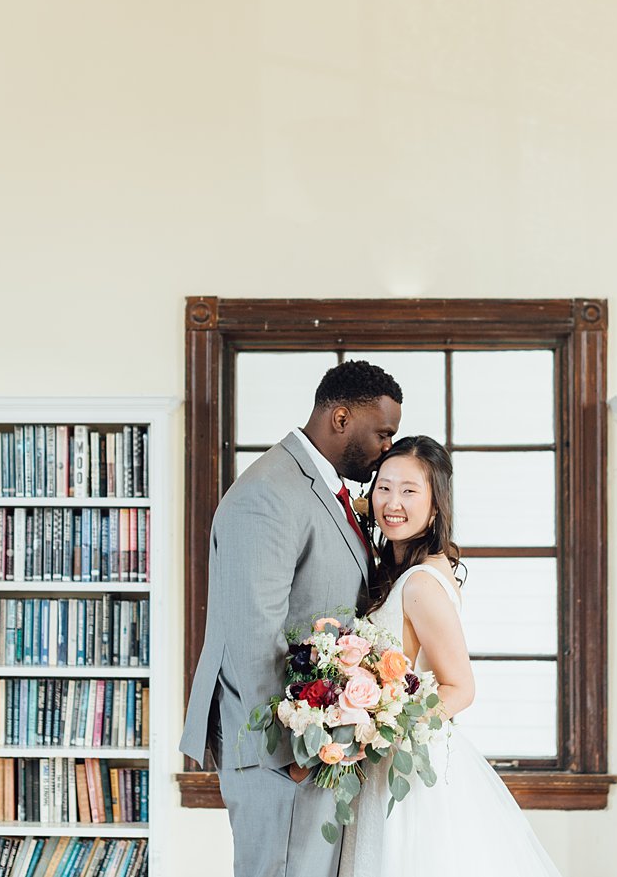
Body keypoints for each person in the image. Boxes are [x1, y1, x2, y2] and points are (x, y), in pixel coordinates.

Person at [180, 360, 403, 877]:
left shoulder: (325, 490)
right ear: (342, 418)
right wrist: (295, 753)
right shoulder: (269, 493)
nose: (388, 448)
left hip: (318, 745)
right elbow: (253, 634)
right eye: (383, 433)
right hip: (280, 751)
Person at [342, 435, 564, 877]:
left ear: (437, 503)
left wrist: (383, 723)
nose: (393, 503)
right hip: (391, 759)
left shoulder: (421, 583)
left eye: (410, 491)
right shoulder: (412, 565)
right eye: (384, 488)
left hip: (406, 766)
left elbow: (461, 688)